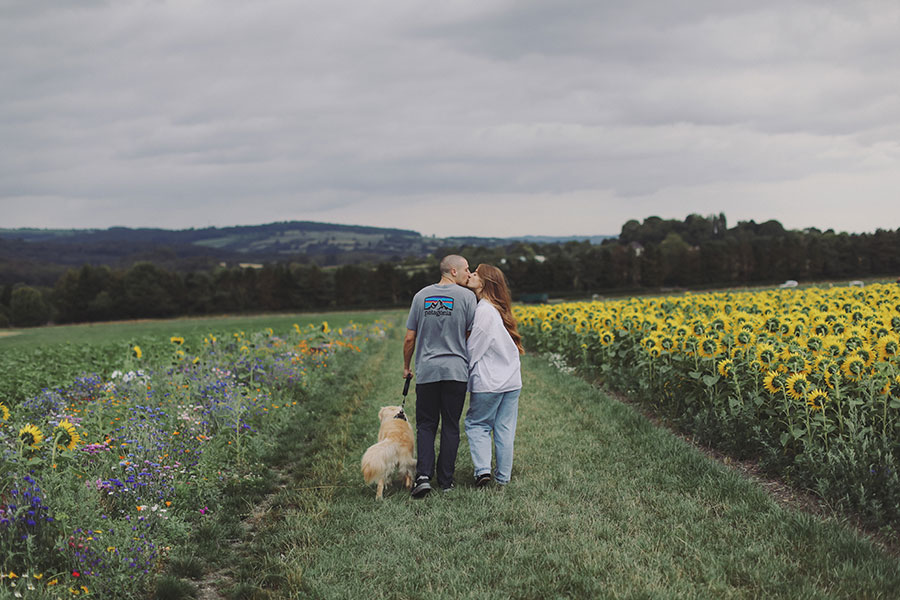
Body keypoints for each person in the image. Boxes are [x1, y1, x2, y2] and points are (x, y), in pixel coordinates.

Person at [404, 254, 477, 497]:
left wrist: (407, 366)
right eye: (466, 269)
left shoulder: (421, 296)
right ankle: (446, 481)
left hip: (427, 371)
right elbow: (470, 336)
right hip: (456, 371)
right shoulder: (468, 298)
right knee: (450, 425)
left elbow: (409, 338)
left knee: (426, 424)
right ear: (453, 271)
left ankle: (423, 476)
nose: (470, 273)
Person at [464, 264, 524, 487]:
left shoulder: (484, 311)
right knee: (505, 429)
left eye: (476, 274)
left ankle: (482, 470)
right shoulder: (498, 309)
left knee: (477, 424)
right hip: (511, 380)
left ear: (485, 282)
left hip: (490, 381)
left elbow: (473, 350)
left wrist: (462, 376)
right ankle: (503, 477)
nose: (470, 275)